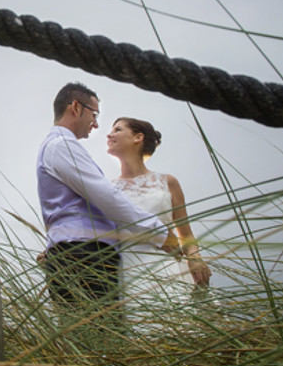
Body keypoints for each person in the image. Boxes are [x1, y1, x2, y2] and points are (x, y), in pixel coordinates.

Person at [37, 82, 179, 319]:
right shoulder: (62, 146)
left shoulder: (60, 147)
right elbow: (107, 198)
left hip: (81, 255)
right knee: (97, 341)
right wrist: (160, 233)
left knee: (97, 340)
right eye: (94, 114)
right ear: (75, 107)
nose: (96, 124)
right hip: (83, 257)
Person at [106, 116, 212, 305]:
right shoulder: (107, 188)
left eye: (117, 130)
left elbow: (186, 235)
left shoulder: (167, 182)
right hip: (127, 275)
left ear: (137, 138)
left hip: (167, 268)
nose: (109, 135)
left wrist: (195, 258)